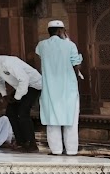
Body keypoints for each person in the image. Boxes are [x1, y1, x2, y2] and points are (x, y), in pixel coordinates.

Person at [0, 48, 43, 152]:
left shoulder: (6, 62)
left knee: (22, 113)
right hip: (20, 88)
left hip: (34, 85)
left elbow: (24, 79)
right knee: (10, 113)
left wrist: (17, 98)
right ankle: (21, 143)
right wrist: (4, 95)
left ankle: (31, 144)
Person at [35, 21, 86, 156]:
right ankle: (71, 150)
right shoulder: (70, 45)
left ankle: (56, 150)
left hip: (50, 89)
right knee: (71, 121)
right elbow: (76, 64)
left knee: (52, 121)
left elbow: (40, 54)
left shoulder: (42, 45)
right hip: (68, 88)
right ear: (60, 31)